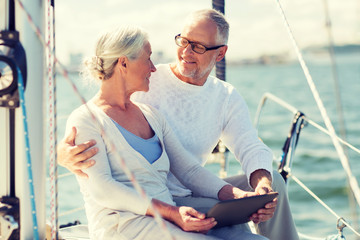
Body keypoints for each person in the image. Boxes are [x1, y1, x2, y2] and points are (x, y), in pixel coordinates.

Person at [59, 9, 299, 240]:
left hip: (184, 199)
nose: (186, 52)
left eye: (198, 46)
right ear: (124, 63)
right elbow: (93, 144)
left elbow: (198, 167)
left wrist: (242, 195)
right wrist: (59, 155)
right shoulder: (142, 87)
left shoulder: (211, 99)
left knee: (264, 200)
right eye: (183, 41)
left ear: (220, 53)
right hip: (143, 213)